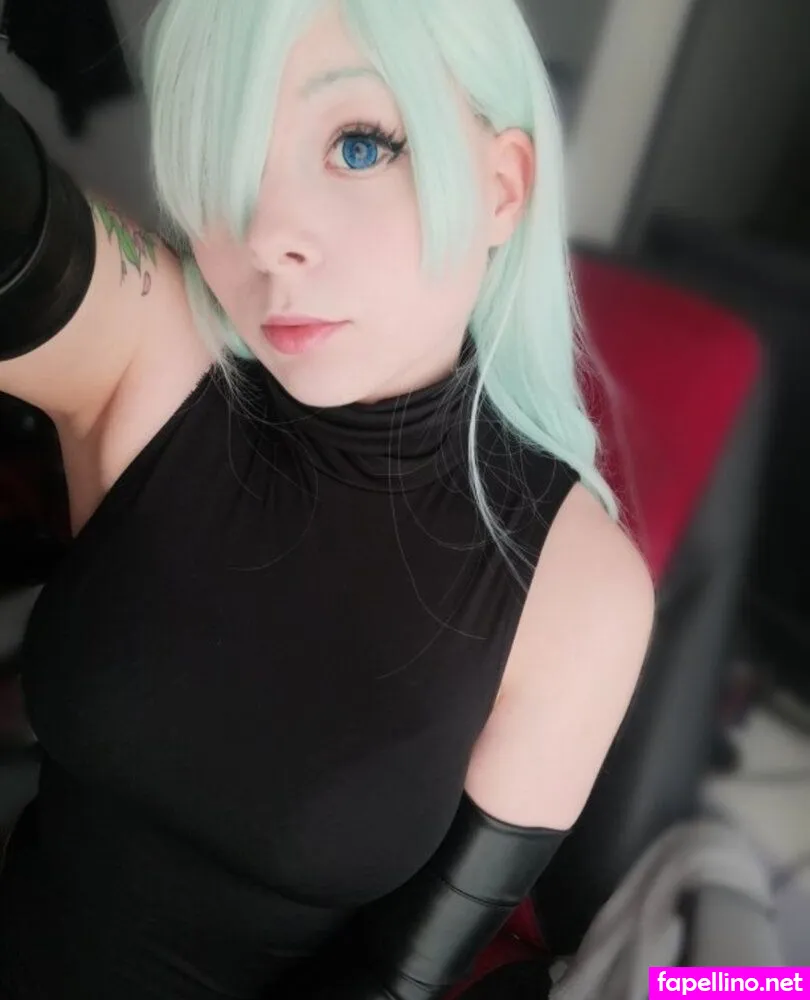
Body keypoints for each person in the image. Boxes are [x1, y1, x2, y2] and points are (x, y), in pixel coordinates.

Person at [0, 0, 655, 997]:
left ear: (500, 188)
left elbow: (394, 979)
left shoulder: (579, 591)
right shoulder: (158, 352)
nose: (265, 238)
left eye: (358, 146)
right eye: (223, 164)